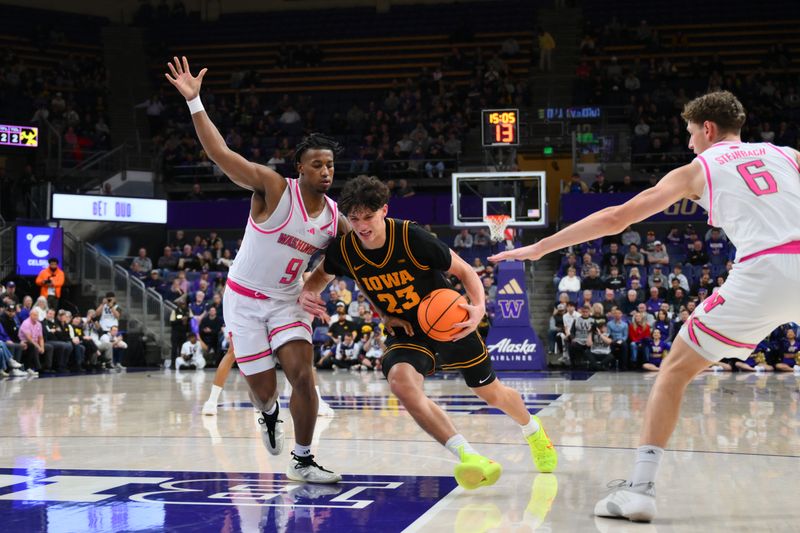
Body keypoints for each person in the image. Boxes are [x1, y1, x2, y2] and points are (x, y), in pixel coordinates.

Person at [490, 90, 800, 522]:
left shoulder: (699, 167)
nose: (690, 143)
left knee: (673, 371)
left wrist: (540, 247)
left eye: (692, 134)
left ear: (707, 129)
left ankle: (640, 488)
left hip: (764, 269)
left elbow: (617, 217)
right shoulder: (787, 154)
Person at [299, 175, 557, 490]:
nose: (362, 224)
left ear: (384, 210)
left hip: (449, 323)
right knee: (401, 384)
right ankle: (470, 457)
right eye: (354, 219)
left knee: (492, 393)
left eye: (368, 216)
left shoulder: (411, 237)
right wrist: (308, 294)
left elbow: (464, 270)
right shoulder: (345, 249)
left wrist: (477, 308)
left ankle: (533, 430)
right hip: (406, 331)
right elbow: (318, 279)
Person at [166, 55, 344, 483]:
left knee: (303, 376)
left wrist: (313, 287)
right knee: (265, 392)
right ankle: (268, 414)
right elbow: (220, 152)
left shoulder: (335, 217)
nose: (325, 171)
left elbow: (339, 261)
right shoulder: (273, 188)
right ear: (300, 166)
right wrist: (194, 102)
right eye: (317, 164)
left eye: (331, 165)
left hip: (287, 302)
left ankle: (302, 460)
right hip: (243, 300)